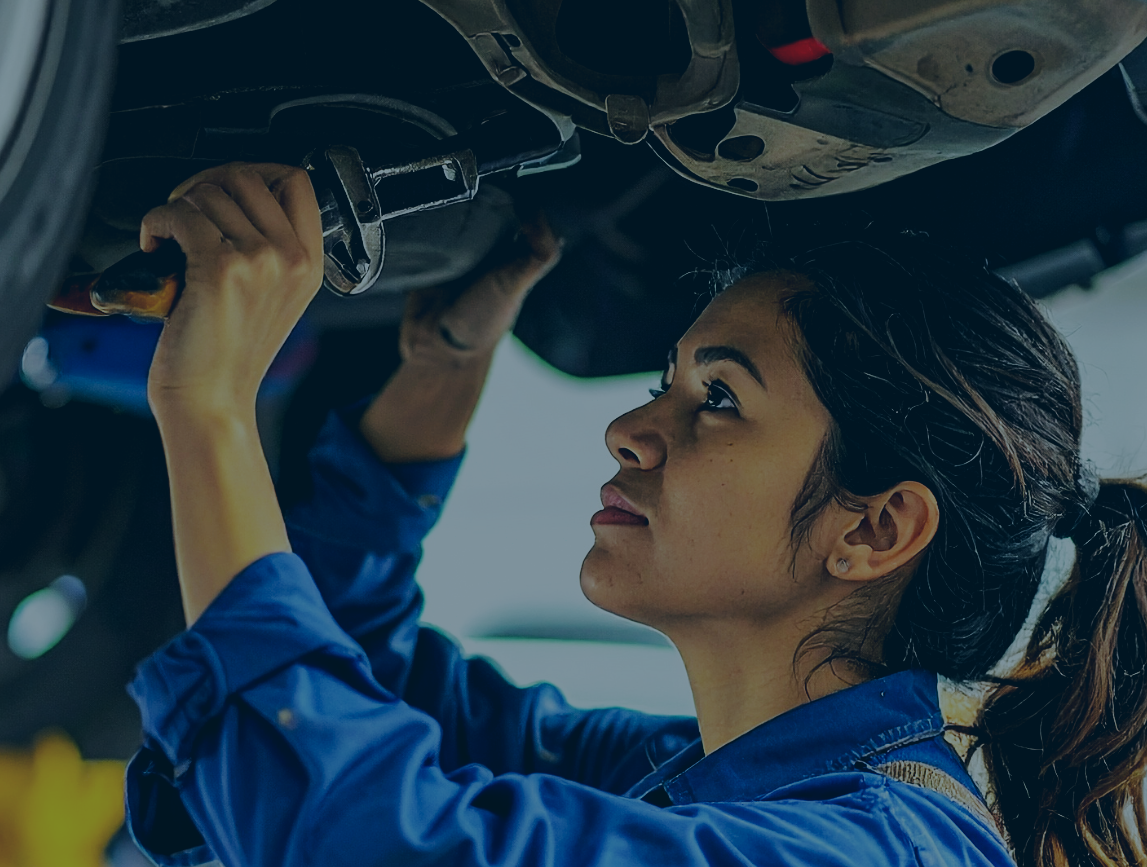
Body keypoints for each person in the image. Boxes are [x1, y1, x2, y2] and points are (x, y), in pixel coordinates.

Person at [120, 162, 1147, 867]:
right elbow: (360, 687)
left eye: (720, 399)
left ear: (872, 531)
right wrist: (447, 370)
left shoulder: (863, 852)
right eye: (669, 379)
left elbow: (366, 838)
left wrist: (209, 406)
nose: (627, 426)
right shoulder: (698, 779)